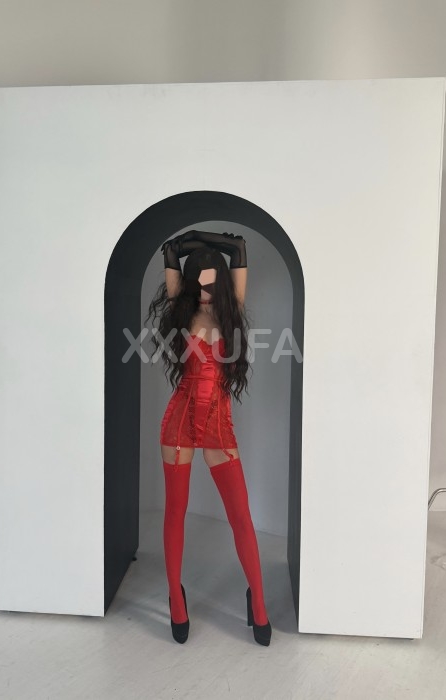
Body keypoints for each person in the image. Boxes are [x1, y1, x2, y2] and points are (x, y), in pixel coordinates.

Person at [145, 230, 272, 646]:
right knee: (175, 512)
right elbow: (169, 251)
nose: (203, 294)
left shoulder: (230, 311)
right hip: (178, 424)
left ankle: (258, 603)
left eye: (210, 285)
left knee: (241, 516)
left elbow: (239, 250)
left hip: (218, 426)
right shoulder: (182, 313)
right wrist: (188, 246)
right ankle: (175, 600)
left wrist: (203, 239)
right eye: (197, 285)